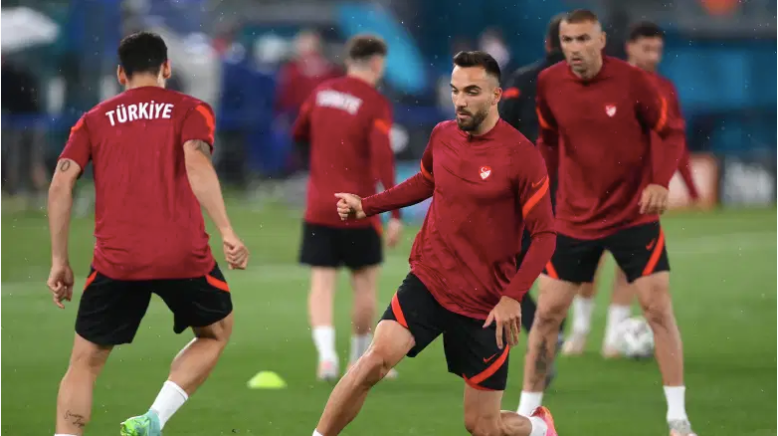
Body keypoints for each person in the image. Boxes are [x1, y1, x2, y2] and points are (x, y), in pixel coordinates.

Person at [312, 51, 558, 436]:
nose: (460, 100)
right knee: (373, 362)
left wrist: (513, 296)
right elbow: (425, 180)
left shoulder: (521, 156)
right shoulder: (442, 134)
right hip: (430, 281)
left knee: (482, 426)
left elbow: (545, 234)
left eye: (472, 91)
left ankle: (538, 428)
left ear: (496, 96)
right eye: (455, 90)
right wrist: (368, 206)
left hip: (486, 304)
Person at [46, 32, 249, 436]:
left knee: (85, 362)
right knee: (215, 332)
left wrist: (59, 260)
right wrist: (227, 230)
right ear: (167, 68)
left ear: (121, 73)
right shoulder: (191, 109)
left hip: (117, 261)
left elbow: (60, 185)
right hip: (182, 254)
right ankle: (154, 418)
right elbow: (196, 162)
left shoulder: (94, 119)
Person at [515, 10, 697, 436]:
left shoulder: (634, 83)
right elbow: (550, 143)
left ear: (600, 42)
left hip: (634, 216)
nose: (574, 49)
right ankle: (527, 417)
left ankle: (678, 418)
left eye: (582, 39)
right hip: (574, 219)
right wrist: (541, 198)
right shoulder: (548, 83)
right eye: (567, 41)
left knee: (657, 310)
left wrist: (659, 181)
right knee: (545, 317)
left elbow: (669, 132)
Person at [560, 20, 701, 359]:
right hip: (603, 185)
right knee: (590, 261)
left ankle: (613, 338)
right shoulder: (611, 82)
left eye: (658, 50)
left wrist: (690, 187)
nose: (653, 56)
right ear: (630, 48)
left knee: (627, 265)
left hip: (643, 188)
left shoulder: (665, 88)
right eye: (647, 49)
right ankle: (580, 332)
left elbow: (675, 140)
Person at [292, 34, 403, 381]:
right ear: (376, 63)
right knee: (365, 284)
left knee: (321, 284)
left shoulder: (321, 92)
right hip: (357, 207)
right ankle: (360, 358)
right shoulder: (374, 102)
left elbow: (299, 131)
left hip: (319, 206)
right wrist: (395, 212)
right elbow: (383, 158)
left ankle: (326, 356)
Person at [498, 13, 567, 387]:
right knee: (564, 277)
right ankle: (554, 334)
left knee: (511, 275)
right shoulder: (584, 84)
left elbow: (500, 130)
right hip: (572, 197)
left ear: (546, 42)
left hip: (526, 194)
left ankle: (543, 334)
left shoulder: (525, 79)